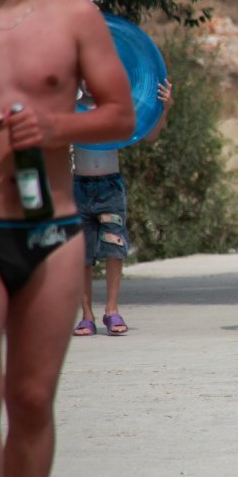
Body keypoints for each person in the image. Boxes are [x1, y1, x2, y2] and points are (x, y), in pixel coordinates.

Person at [0, 0, 135, 477]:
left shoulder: (74, 19)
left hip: (53, 230)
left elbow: (122, 113)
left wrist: (54, 124)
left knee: (32, 399)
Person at [72, 79, 173, 337]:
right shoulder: (70, 109)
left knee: (113, 247)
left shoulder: (115, 109)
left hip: (110, 188)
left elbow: (150, 136)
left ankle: (111, 309)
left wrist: (164, 108)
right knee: (82, 255)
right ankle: (86, 315)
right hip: (78, 187)